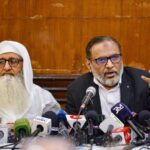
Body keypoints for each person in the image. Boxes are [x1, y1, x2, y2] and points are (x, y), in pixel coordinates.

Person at [66, 36, 150, 118]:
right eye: (101, 60)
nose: (110, 65)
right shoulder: (76, 90)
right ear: (89, 64)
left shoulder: (143, 82)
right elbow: (72, 128)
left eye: (115, 57)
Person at [0, 41, 60, 124]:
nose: (6, 67)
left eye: (13, 61)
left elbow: (56, 130)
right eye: (1, 62)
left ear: (24, 65)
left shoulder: (43, 98)